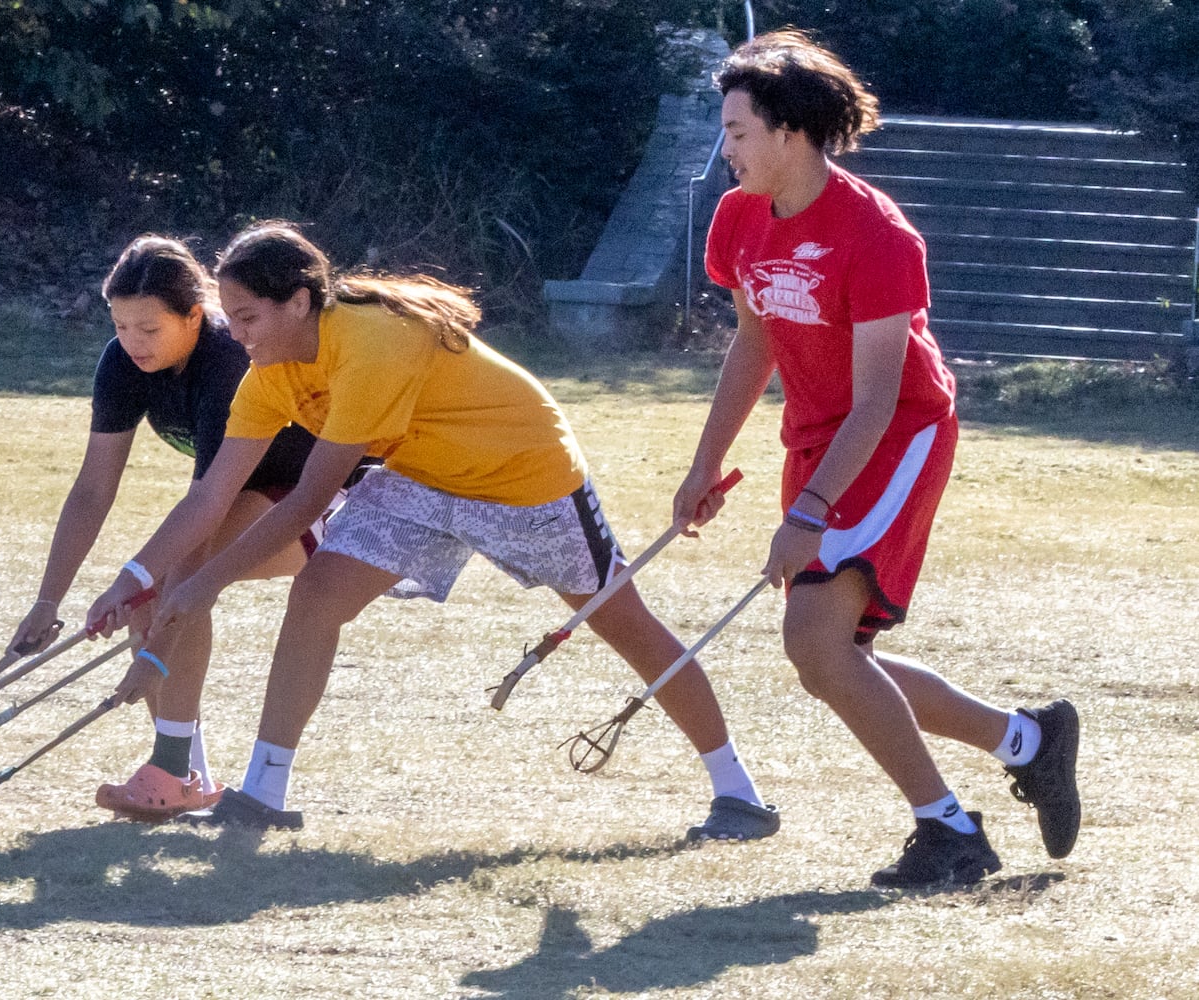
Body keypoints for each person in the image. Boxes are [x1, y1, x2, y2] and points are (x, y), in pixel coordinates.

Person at [87, 219, 780, 840]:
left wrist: (203, 585)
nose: (234, 337)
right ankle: (264, 793)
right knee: (317, 594)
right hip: (420, 478)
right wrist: (140, 582)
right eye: (229, 319)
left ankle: (737, 793)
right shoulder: (268, 372)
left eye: (246, 318)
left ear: (299, 302)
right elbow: (211, 493)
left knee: (622, 621)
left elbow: (305, 503)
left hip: (523, 473)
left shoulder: (370, 344)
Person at [673, 30, 1081, 888]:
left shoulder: (877, 235)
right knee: (833, 655)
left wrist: (806, 515)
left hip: (897, 433)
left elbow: (880, 401)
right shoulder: (741, 215)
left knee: (816, 644)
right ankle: (1029, 743)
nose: (729, 148)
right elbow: (754, 344)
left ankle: (951, 833)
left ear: (791, 131)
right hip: (819, 437)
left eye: (740, 130)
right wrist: (705, 465)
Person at [7, 234, 328, 821]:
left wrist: (135, 576)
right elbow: (93, 488)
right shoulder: (121, 364)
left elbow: (208, 501)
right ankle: (185, 774)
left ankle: (174, 768)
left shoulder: (227, 362)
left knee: (176, 579)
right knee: (150, 597)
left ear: (194, 316)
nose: (133, 343)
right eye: (122, 326)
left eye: (150, 330)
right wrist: (47, 598)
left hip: (316, 496)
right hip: (240, 493)